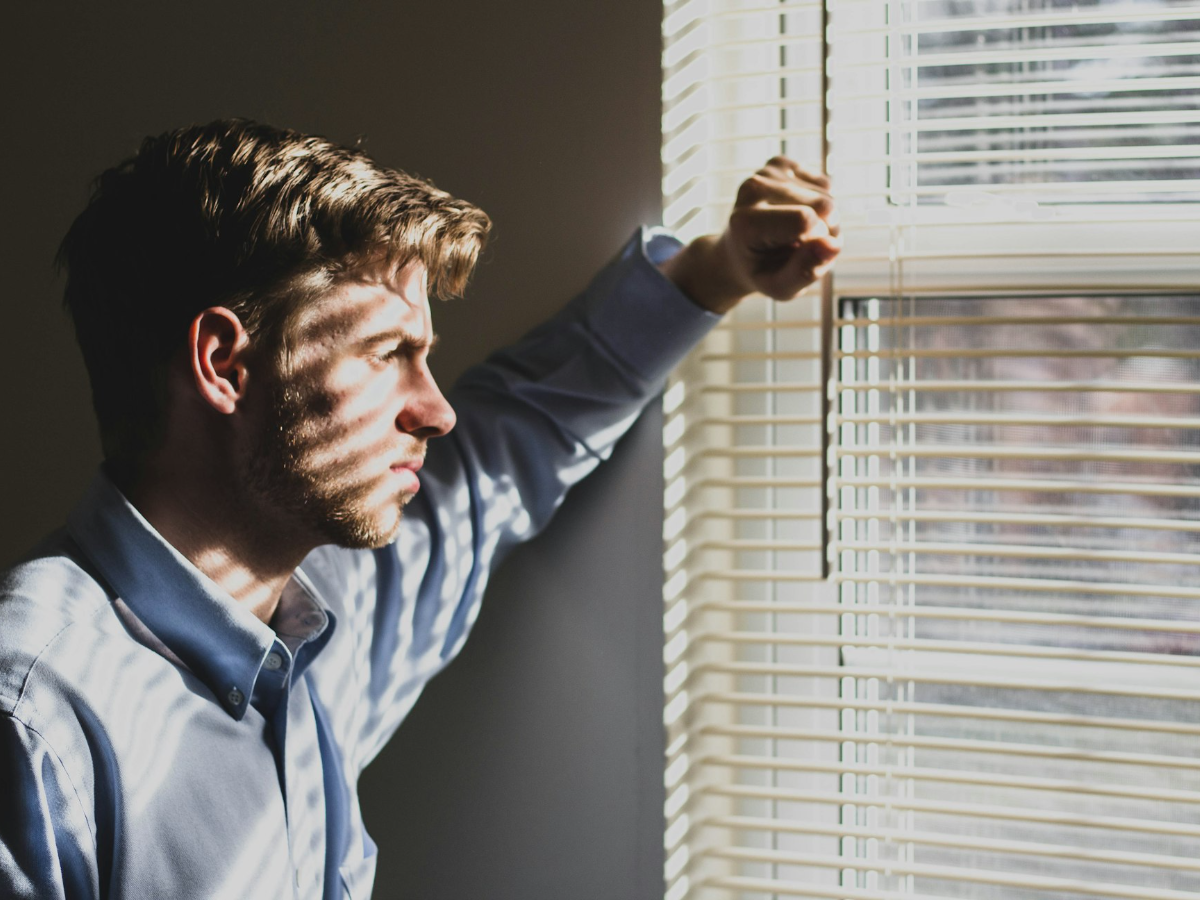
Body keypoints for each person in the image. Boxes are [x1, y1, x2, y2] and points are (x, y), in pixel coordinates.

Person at [0, 119, 839, 899]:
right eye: (387, 353)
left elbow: (512, 443)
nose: (437, 412)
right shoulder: (34, 725)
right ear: (224, 364)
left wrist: (715, 272)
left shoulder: (326, 614)